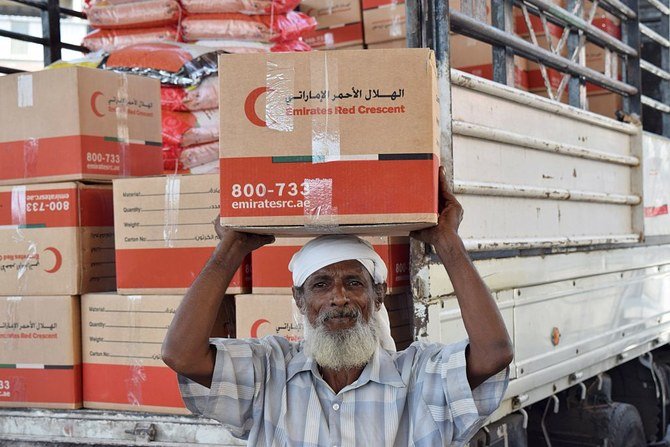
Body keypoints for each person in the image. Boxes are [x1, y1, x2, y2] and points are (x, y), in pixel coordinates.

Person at [162, 167, 513, 446]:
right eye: (321, 285)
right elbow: (182, 355)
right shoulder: (271, 372)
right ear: (300, 300)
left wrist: (446, 241)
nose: (339, 297)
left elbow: (494, 353)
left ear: (378, 295)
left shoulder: (417, 376)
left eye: (354, 282)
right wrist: (231, 249)